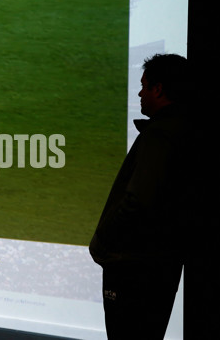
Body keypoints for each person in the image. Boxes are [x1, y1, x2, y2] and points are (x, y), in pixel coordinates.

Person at [89, 53, 191, 339]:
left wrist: (102, 242)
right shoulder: (182, 130)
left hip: (133, 267)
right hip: (159, 265)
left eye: (145, 85)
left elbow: (137, 201)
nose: (139, 92)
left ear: (159, 89)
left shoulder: (161, 135)